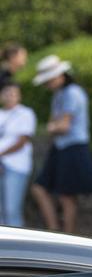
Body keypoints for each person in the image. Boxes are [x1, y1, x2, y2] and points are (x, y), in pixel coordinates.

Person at [31, 55, 92, 235]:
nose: (47, 85)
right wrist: (53, 127)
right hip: (61, 147)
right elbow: (55, 124)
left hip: (73, 147)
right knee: (41, 188)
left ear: (60, 76)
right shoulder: (59, 94)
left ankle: (67, 237)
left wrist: (52, 127)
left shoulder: (72, 93)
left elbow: (63, 125)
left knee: (67, 196)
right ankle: (54, 229)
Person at [0, 81, 36, 227]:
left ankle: (17, 248)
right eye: (7, 93)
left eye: (14, 93)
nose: (10, 96)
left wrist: (1, 155)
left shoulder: (25, 113)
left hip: (16, 166)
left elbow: (22, 141)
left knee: (11, 209)